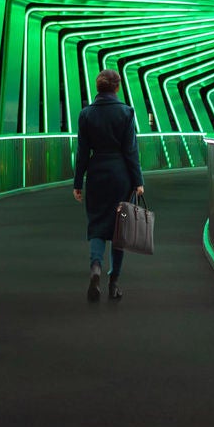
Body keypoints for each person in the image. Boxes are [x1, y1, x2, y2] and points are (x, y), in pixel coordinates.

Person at [73, 68, 144, 302]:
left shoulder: (86, 114)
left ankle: (95, 268)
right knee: (119, 230)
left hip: (96, 173)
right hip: (120, 174)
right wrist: (138, 181)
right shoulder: (125, 112)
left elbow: (83, 151)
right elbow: (131, 150)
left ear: (98, 87)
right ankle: (114, 283)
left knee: (96, 225)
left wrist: (78, 182)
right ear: (117, 87)